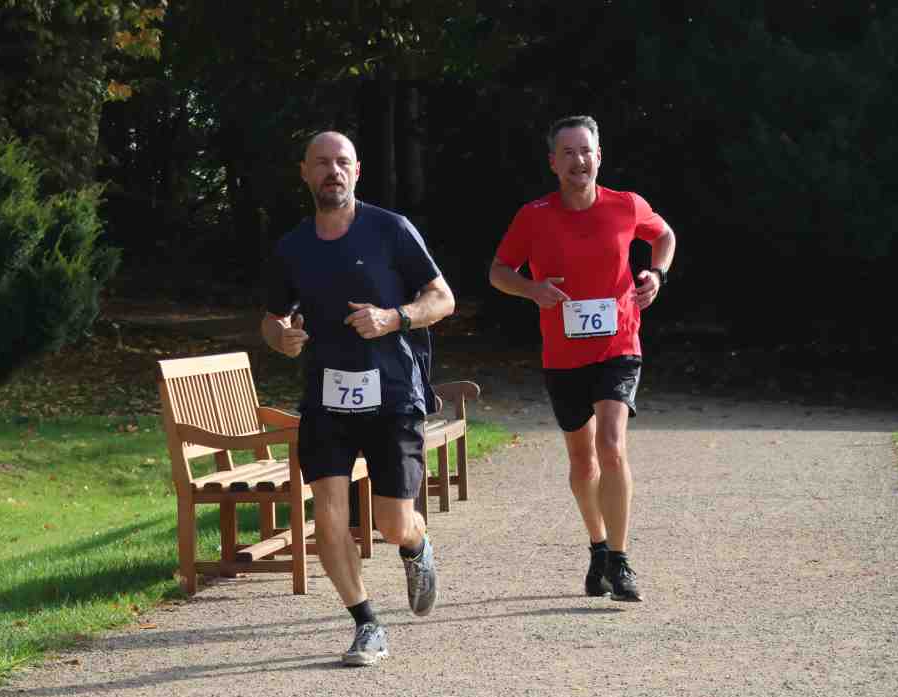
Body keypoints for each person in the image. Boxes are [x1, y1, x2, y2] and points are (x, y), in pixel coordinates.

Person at [261, 130, 456, 667]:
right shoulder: (293, 246)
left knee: (393, 523)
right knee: (329, 516)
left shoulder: (390, 229)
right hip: (326, 398)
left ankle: (415, 546)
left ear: (357, 170)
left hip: (392, 394)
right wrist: (281, 337)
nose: (333, 171)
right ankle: (366, 623)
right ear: (305, 172)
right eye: (322, 163)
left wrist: (393, 318)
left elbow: (442, 298)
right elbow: (272, 318)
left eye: (342, 162)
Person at [487, 114, 676, 602]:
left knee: (612, 446)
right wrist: (531, 289)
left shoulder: (625, 205)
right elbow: (498, 271)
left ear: (599, 157)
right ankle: (598, 547)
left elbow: (664, 236)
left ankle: (621, 559)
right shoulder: (534, 215)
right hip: (563, 354)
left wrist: (656, 275)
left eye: (586, 151)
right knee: (582, 458)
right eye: (568, 152)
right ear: (553, 162)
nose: (579, 160)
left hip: (619, 346)